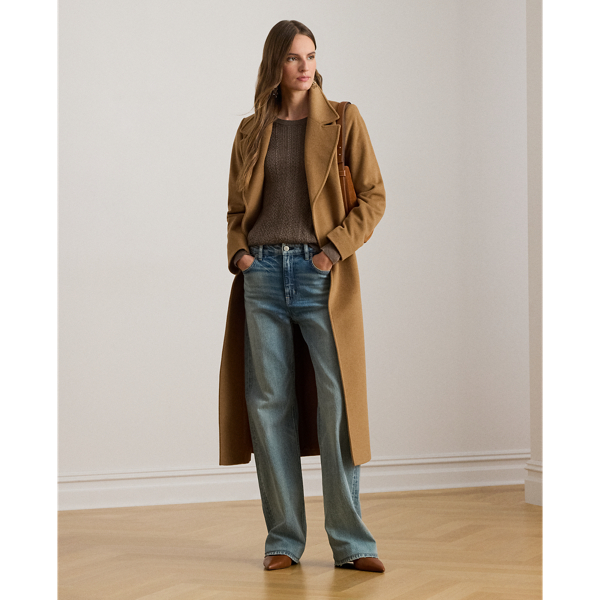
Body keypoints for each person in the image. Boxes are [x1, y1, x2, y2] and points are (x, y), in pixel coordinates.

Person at [218, 19, 386, 572]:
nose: (305, 66)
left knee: (337, 405)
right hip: (262, 276)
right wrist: (241, 254)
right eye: (294, 57)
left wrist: (332, 250)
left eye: (311, 55)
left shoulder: (343, 119)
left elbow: (373, 196)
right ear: (275, 63)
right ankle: (283, 540)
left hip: (320, 275)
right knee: (269, 406)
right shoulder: (250, 130)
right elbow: (236, 210)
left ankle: (352, 544)